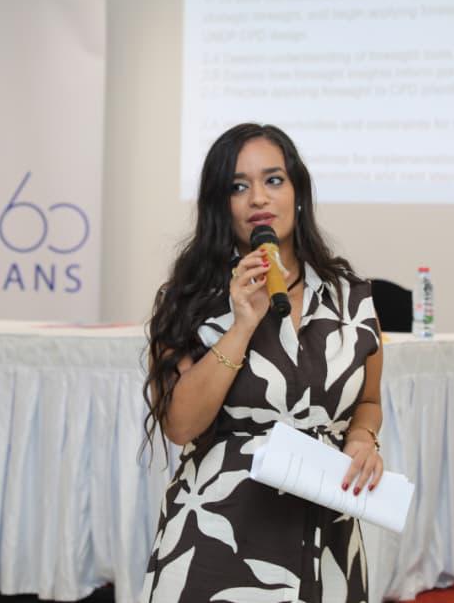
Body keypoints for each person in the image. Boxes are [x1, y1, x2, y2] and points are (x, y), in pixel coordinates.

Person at [141, 123, 384, 602]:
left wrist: (361, 438)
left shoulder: (350, 299)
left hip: (325, 543)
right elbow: (180, 424)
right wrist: (241, 325)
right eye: (238, 186)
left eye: (273, 180)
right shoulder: (188, 300)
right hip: (217, 537)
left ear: (297, 193)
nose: (258, 197)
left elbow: (369, 400)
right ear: (220, 204)